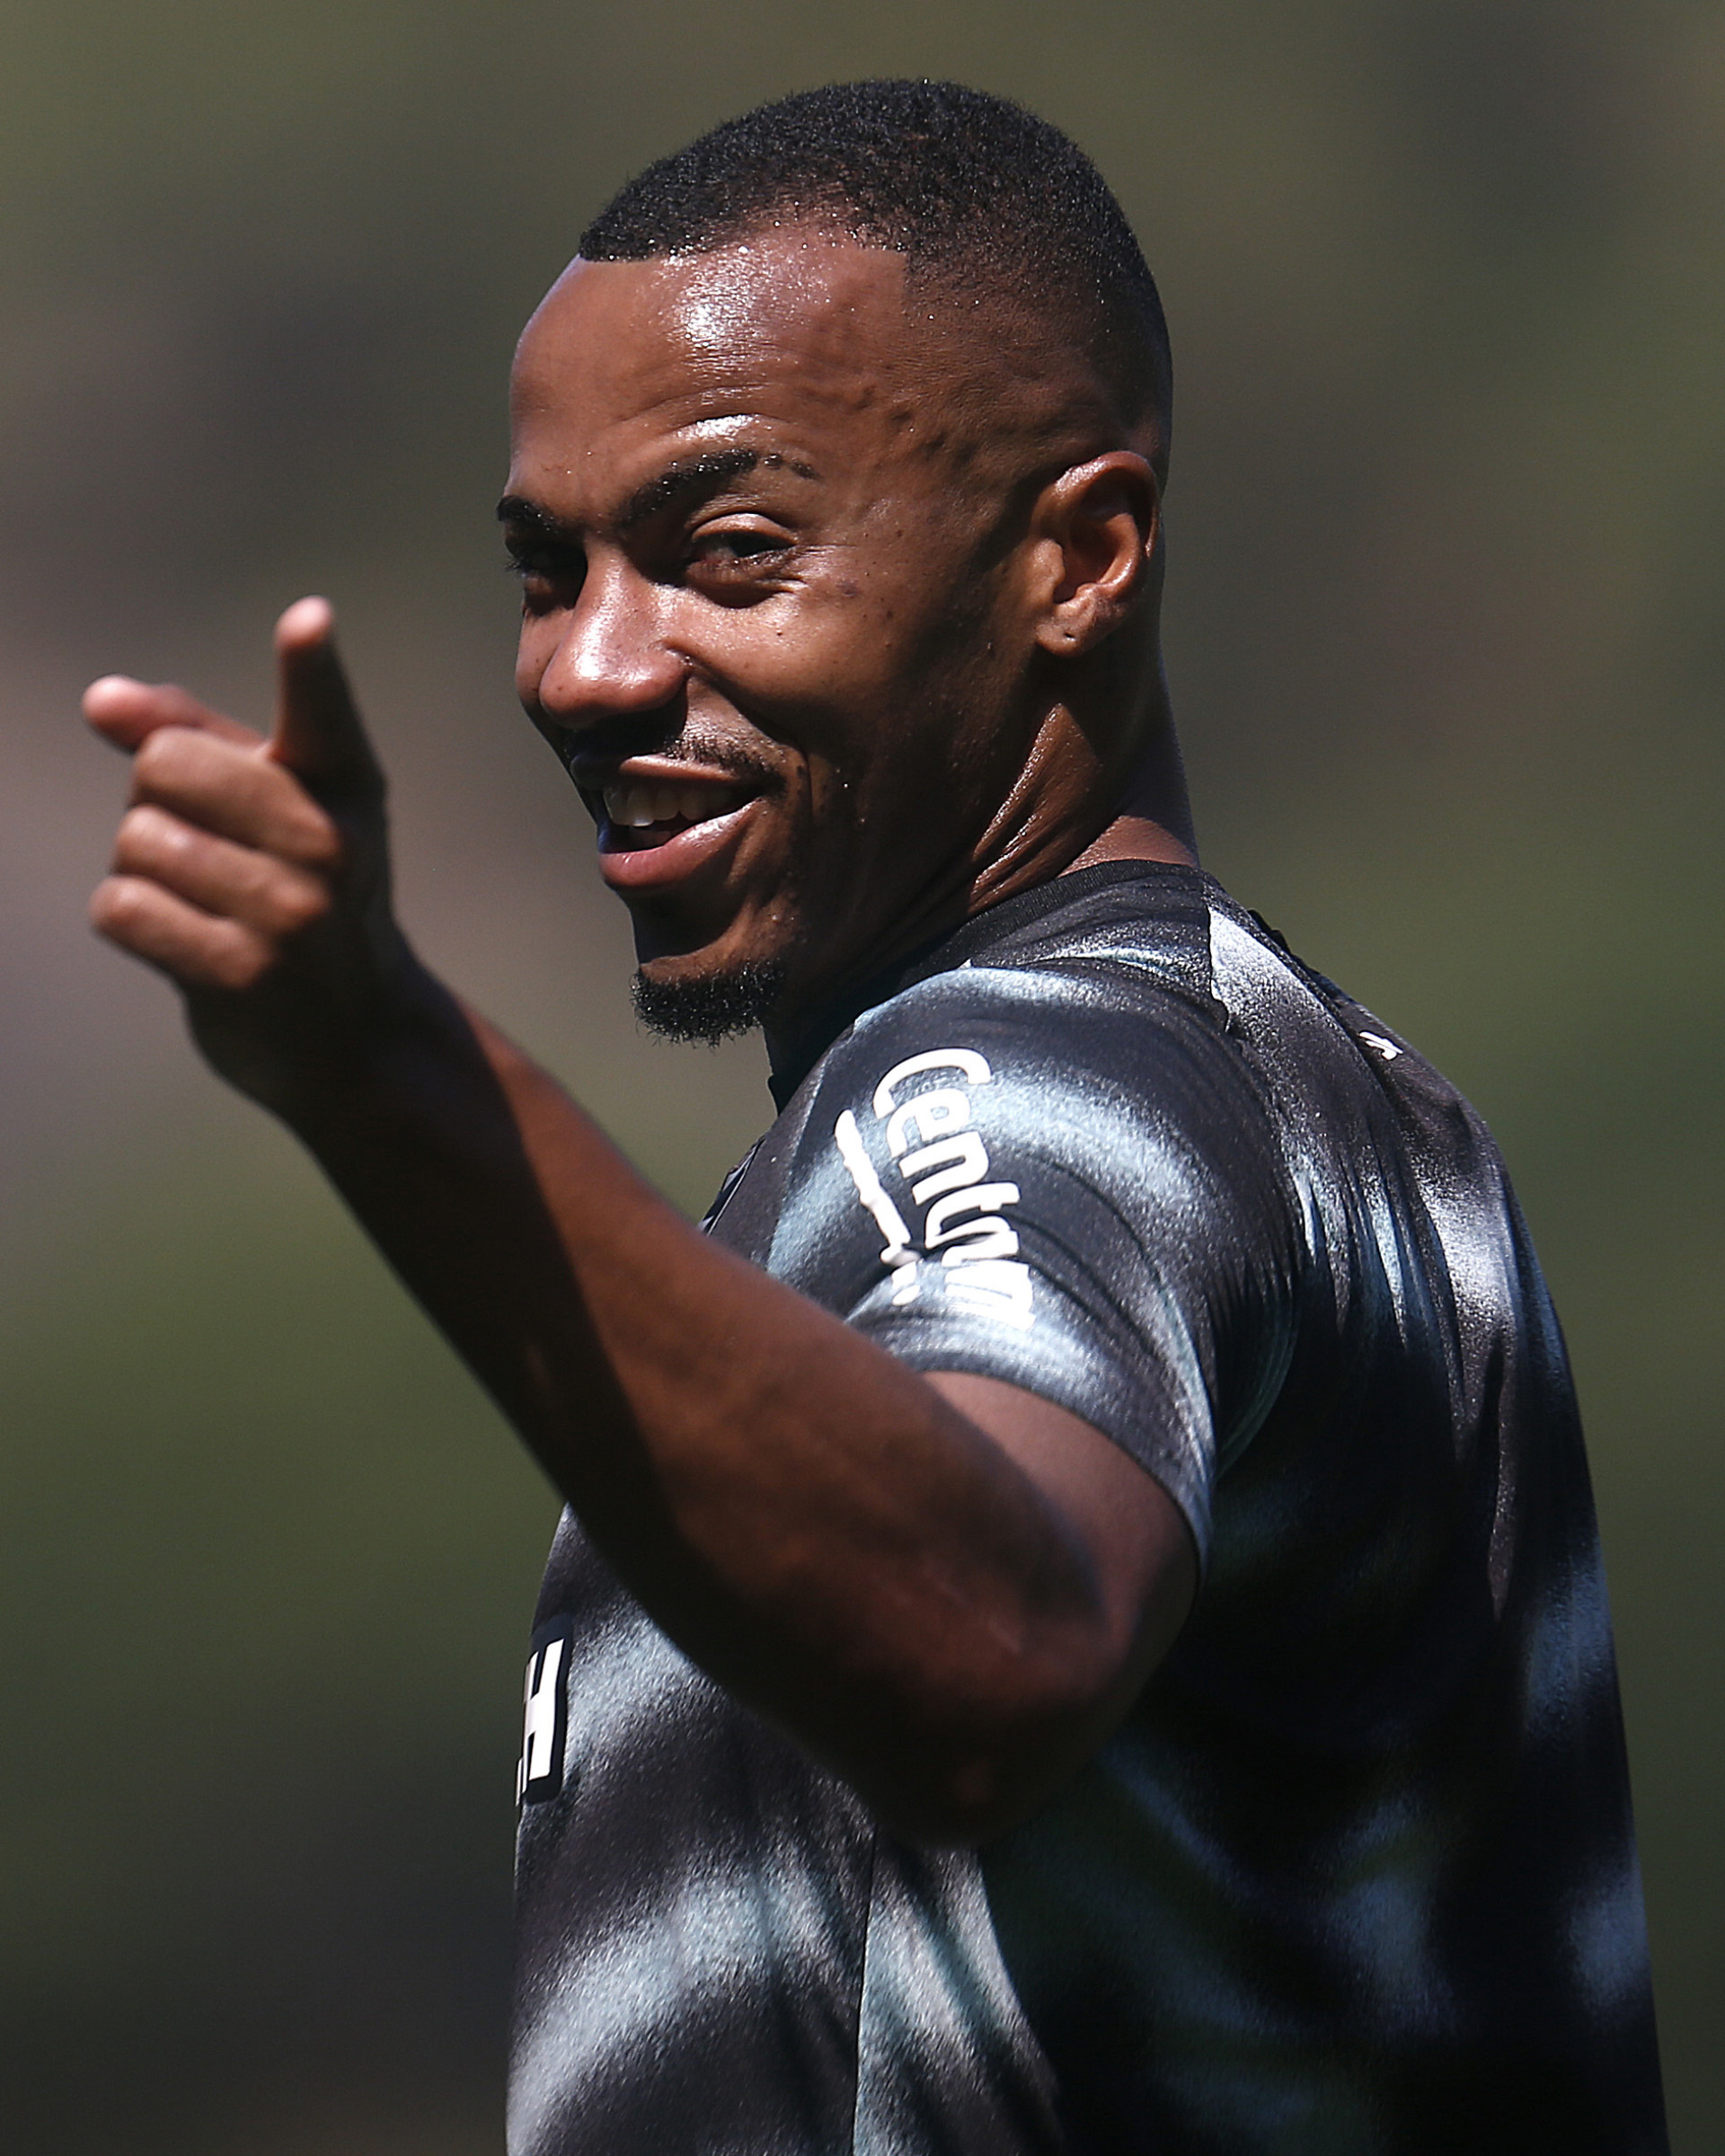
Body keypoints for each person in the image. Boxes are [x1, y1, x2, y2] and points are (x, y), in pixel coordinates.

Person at [84, 79, 1665, 2156]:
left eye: (728, 552)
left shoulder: (1044, 1081)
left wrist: (390, 1072)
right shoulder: (1307, 1092)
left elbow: (995, 1642)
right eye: (551, 573)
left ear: (1079, 559)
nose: (583, 669)